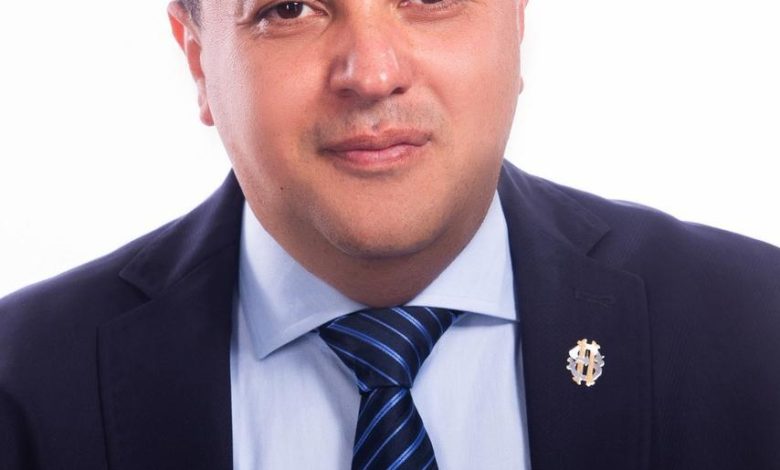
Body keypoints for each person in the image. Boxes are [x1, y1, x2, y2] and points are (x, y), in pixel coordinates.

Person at [1, 0, 778, 468]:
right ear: (199, 61)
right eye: (290, 8)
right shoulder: (23, 390)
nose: (372, 74)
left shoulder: (756, 331)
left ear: (517, 21)